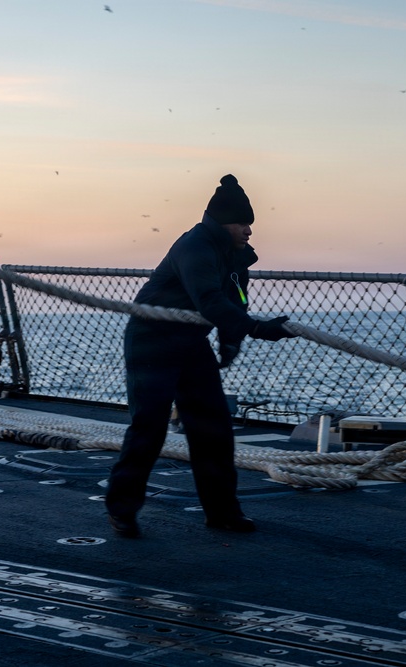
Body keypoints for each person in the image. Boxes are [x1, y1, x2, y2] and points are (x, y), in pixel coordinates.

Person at [104, 174, 295, 538]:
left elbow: (233, 301)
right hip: (152, 340)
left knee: (214, 428)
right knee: (149, 427)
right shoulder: (195, 248)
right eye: (243, 223)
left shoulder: (235, 257)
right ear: (223, 223)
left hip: (191, 343)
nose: (249, 231)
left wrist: (230, 342)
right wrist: (257, 329)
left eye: (250, 224)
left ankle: (222, 512)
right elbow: (208, 299)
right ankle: (121, 510)